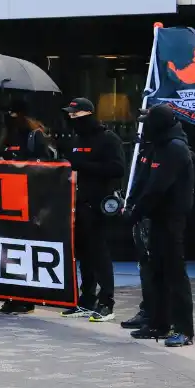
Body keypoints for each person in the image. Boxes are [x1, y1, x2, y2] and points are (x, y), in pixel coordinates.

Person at [126, 103, 195, 347]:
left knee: (175, 274)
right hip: (156, 217)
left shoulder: (175, 149)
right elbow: (143, 181)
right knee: (156, 273)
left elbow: (157, 187)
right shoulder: (158, 145)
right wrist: (133, 206)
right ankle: (159, 323)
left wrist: (136, 212)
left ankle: (184, 329)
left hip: (171, 219)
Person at [58, 98, 126, 323]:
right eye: (69, 115)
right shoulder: (77, 138)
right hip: (77, 204)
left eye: (75, 115)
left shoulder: (108, 139)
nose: (71, 119)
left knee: (100, 254)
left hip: (98, 205)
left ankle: (107, 302)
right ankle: (86, 300)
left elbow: (117, 169)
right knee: (83, 255)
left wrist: (82, 165)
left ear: (88, 113)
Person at [0, 100, 53, 315]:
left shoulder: (34, 136)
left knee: (24, 249)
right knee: (8, 250)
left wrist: (22, 163)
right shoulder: (7, 136)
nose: (9, 118)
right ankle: (11, 296)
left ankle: (26, 298)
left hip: (28, 200)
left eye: (12, 114)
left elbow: (44, 164)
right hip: (8, 199)